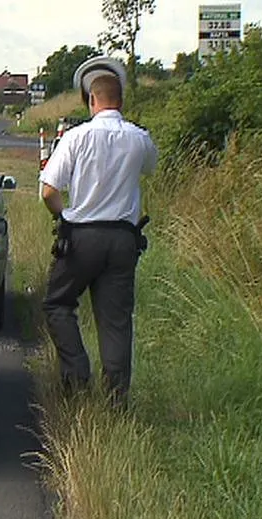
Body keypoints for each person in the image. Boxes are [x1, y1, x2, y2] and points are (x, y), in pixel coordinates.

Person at [37, 56, 159, 409]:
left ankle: (76, 377)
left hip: (81, 237)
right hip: (123, 239)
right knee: (115, 319)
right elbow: (150, 167)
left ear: (92, 99)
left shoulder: (76, 138)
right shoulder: (140, 139)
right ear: (121, 100)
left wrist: (66, 216)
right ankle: (116, 401)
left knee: (58, 302)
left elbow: (48, 190)